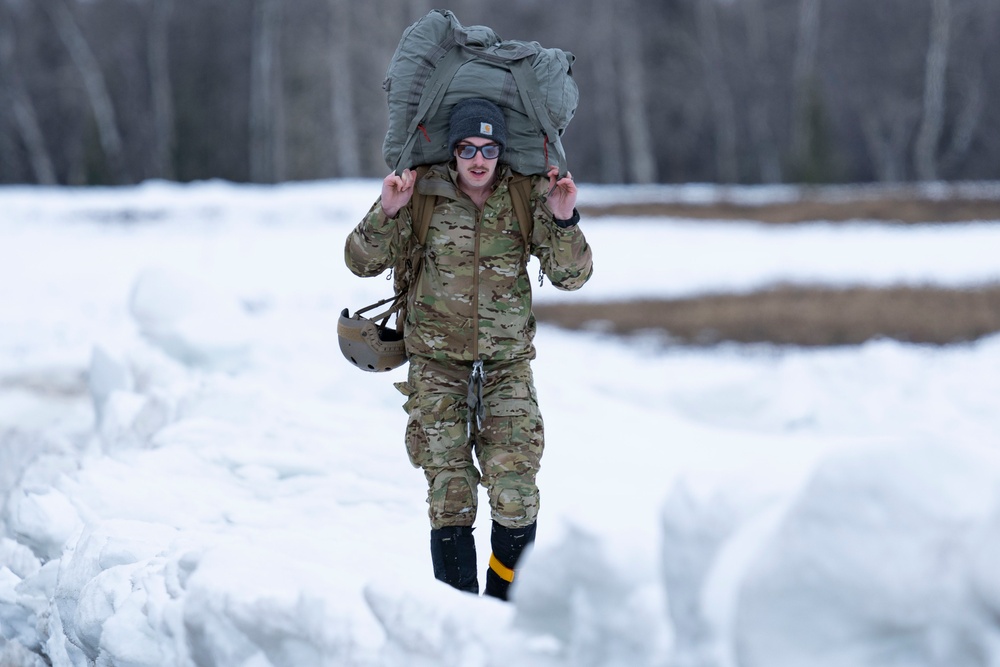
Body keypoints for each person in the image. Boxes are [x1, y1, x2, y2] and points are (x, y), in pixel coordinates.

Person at [344, 98, 593, 600]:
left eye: (488, 148)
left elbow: (573, 276)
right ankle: (460, 620)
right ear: (453, 151)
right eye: (467, 148)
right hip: (437, 366)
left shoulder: (525, 195)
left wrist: (564, 221)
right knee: (450, 495)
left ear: (501, 151)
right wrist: (387, 208)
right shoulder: (422, 196)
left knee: (516, 492)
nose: (478, 159)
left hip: (506, 365)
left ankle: (504, 610)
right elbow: (359, 261)